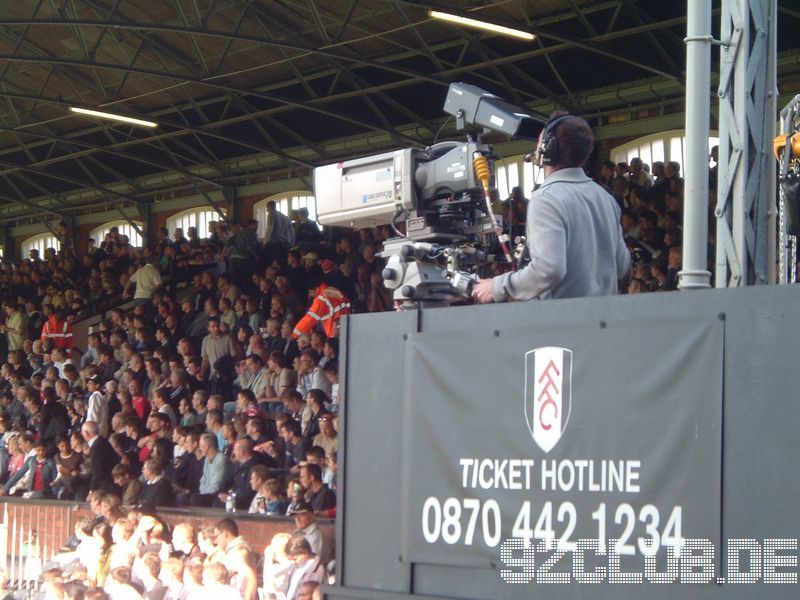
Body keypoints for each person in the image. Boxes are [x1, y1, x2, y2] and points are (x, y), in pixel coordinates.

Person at [472, 114, 631, 303]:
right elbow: (622, 266)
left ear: (549, 148)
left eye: (540, 142)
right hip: (604, 321)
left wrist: (496, 287)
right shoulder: (605, 198)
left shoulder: (546, 199)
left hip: (562, 325)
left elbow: (548, 269)